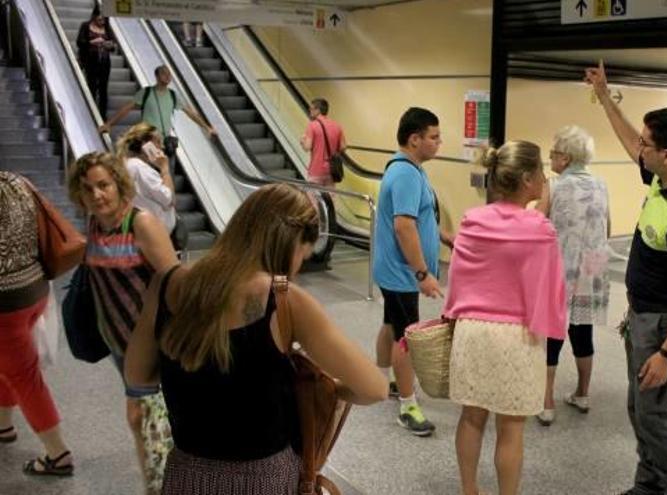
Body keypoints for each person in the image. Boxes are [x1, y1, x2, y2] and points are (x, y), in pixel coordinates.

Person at [124, 183, 387, 493]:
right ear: (291, 243)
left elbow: (138, 375)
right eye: (304, 254)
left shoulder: (168, 283)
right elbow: (375, 388)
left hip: (186, 474)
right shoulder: (285, 300)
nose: (299, 267)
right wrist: (327, 388)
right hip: (263, 479)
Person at [586, 60, 667, 495]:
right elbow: (628, 143)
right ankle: (649, 485)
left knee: (655, 414)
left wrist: (666, 352)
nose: (638, 148)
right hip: (643, 317)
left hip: (663, 324)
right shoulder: (664, 179)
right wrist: (605, 98)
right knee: (640, 408)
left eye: (647, 144)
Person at [443, 141, 567, 495]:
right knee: (511, 428)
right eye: (541, 172)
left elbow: (459, 276)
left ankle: (469, 490)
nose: (546, 178)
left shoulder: (472, 219)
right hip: (517, 335)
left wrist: (452, 318)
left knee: (471, 418)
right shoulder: (539, 229)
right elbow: (550, 289)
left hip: (472, 331)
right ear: (527, 179)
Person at [67, 152, 179, 493]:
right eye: (88, 189)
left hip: (151, 345)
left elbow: (175, 282)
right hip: (118, 344)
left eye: (104, 185)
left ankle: (162, 487)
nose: (97, 195)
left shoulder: (141, 223)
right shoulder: (95, 225)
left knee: (145, 419)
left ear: (119, 184)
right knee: (148, 420)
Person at [372, 107, 452, 436]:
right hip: (402, 274)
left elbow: (418, 216)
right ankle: (407, 405)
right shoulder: (405, 172)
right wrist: (422, 274)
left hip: (395, 272)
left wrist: (444, 236)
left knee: (393, 325)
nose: (439, 143)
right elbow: (404, 226)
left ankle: (388, 382)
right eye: (433, 137)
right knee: (406, 337)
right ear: (414, 139)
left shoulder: (412, 168)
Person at [535, 125, 611, 425]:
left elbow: (535, 225)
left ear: (564, 158)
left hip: (559, 266)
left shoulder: (552, 186)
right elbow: (606, 227)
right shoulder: (602, 184)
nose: (550, 158)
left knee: (553, 332)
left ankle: (547, 402)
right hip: (593, 268)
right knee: (583, 331)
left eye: (553, 153)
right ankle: (582, 393)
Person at [0, 172, 74, 477]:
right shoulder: (16, 182)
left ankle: (58, 455)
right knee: (8, 365)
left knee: (24, 376)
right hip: (35, 291)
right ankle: (3, 425)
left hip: (4, 304)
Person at [99, 65, 216, 175]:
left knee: (166, 176)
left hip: (165, 143)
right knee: (151, 174)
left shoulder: (173, 95)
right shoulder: (146, 93)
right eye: (164, 74)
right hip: (148, 141)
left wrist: (207, 127)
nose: (168, 76)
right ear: (157, 76)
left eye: (169, 74)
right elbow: (127, 108)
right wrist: (109, 124)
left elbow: (190, 113)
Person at [117, 123, 176, 234]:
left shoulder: (129, 164)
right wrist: (164, 169)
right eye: (158, 142)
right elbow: (169, 200)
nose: (162, 147)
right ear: (145, 144)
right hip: (154, 233)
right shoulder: (140, 168)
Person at [76, 6, 115, 119]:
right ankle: (91, 113)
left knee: (103, 88)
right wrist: (93, 42)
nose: (101, 22)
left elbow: (112, 45)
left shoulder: (107, 28)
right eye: (99, 19)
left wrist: (109, 45)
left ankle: (102, 115)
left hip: (104, 61)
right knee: (92, 85)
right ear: (94, 17)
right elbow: (80, 42)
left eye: (103, 20)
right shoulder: (85, 26)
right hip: (90, 60)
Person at [299, 98, 347, 187]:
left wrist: (302, 141)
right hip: (331, 170)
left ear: (318, 110)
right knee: (329, 199)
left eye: (311, 108)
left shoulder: (312, 125)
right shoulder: (337, 125)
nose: (310, 110)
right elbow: (343, 147)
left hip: (316, 170)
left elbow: (307, 147)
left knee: (313, 198)